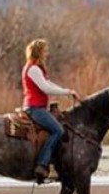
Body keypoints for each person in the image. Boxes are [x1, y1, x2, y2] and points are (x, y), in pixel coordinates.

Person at [22, 39, 80, 183]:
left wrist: (66, 91)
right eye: (44, 51)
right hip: (34, 108)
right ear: (39, 52)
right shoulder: (33, 69)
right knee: (58, 131)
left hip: (37, 107)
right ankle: (42, 164)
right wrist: (67, 91)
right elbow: (45, 88)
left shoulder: (34, 68)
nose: (46, 53)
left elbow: (48, 83)